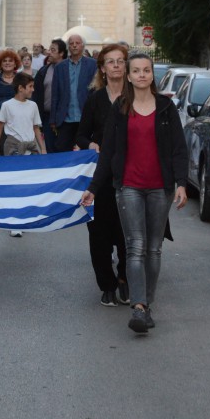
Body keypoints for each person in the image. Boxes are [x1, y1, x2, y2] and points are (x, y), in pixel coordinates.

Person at [81, 53, 188, 334]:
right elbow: (108, 153)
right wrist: (93, 188)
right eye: (136, 71)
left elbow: (178, 148)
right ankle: (139, 306)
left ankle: (147, 302)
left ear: (152, 75)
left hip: (160, 189)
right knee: (136, 247)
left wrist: (181, 183)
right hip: (128, 186)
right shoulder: (120, 108)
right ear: (128, 76)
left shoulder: (166, 107)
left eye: (147, 70)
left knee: (154, 248)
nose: (142, 75)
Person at [75, 44, 129, 308]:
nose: (116, 65)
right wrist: (89, 145)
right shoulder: (95, 99)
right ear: (103, 68)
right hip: (99, 177)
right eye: (111, 62)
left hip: (130, 174)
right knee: (99, 233)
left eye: (121, 61)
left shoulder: (136, 97)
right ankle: (106, 284)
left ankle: (125, 279)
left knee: (128, 232)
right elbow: (81, 134)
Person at [0, 72, 46, 237]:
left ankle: (25, 217)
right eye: (30, 86)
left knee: (29, 184)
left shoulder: (33, 106)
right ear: (21, 88)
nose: (33, 89)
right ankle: (14, 221)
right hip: (13, 148)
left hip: (30, 149)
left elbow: (36, 128)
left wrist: (43, 149)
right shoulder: (7, 105)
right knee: (15, 185)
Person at [50, 34, 97, 152]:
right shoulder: (60, 67)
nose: (74, 45)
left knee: (87, 151)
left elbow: (96, 91)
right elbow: (55, 94)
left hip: (86, 116)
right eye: (71, 43)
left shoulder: (92, 64)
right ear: (68, 47)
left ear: (83, 45)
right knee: (62, 150)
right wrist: (53, 119)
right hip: (65, 118)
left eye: (77, 43)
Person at [33, 39, 67, 153]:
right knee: (50, 148)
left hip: (66, 118)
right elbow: (36, 94)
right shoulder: (43, 71)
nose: (49, 52)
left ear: (61, 53)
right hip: (47, 117)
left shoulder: (69, 70)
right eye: (49, 49)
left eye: (53, 50)